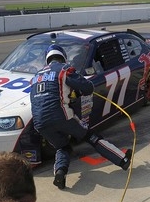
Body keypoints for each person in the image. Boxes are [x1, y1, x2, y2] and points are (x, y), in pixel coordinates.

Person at [29, 44, 131, 190]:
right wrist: (77, 92)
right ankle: (122, 160)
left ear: (47, 59)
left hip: (39, 123)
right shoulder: (64, 69)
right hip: (61, 115)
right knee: (90, 136)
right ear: (63, 57)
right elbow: (87, 87)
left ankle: (60, 173)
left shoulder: (35, 76)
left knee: (62, 146)